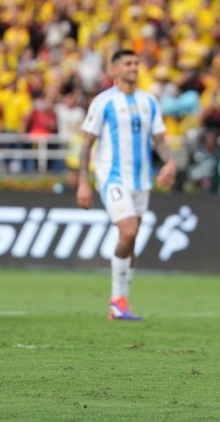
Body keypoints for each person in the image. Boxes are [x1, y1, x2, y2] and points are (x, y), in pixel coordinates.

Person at [76, 49, 177, 320]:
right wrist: (83, 183)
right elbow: (86, 144)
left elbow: (159, 140)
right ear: (114, 69)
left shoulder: (149, 102)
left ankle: (121, 304)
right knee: (129, 231)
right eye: (128, 63)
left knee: (130, 241)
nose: (134, 67)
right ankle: (116, 300)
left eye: (136, 62)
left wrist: (170, 163)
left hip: (141, 180)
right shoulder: (103, 102)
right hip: (113, 177)